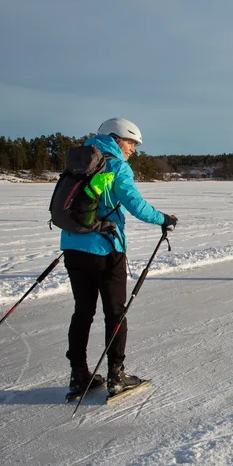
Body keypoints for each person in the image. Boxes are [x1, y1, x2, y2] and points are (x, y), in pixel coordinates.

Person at [61, 118, 177, 398]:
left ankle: (79, 375)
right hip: (105, 249)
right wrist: (164, 219)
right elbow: (134, 204)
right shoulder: (115, 165)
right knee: (115, 312)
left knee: (82, 312)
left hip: (72, 246)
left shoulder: (80, 161)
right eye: (131, 143)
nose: (133, 149)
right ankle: (116, 375)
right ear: (116, 139)